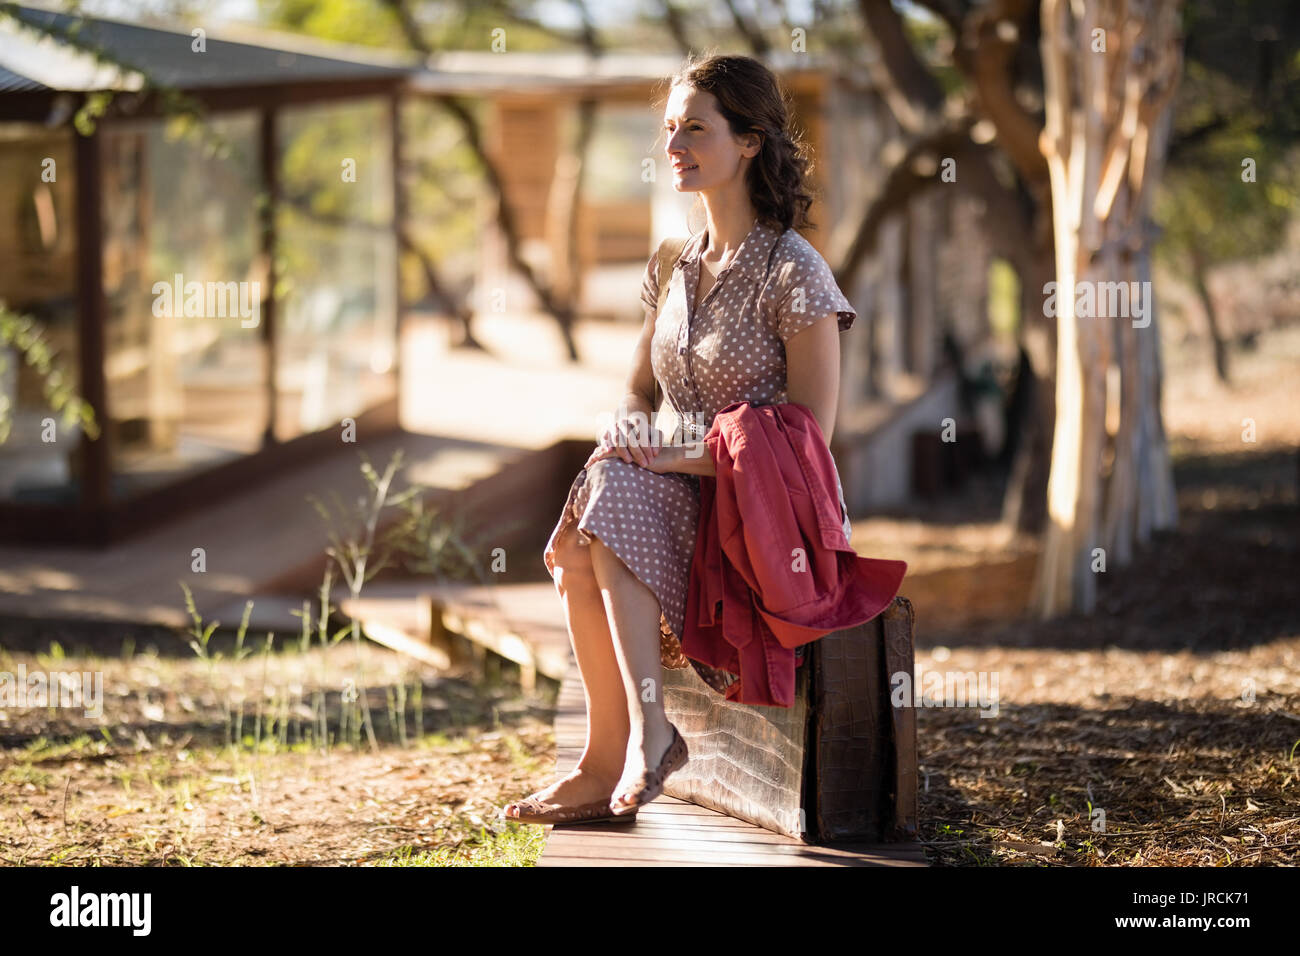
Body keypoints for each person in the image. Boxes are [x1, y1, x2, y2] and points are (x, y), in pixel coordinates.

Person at [502, 52, 858, 825]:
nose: (673, 146)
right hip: (666, 494)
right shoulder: (672, 264)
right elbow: (638, 385)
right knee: (591, 512)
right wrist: (629, 422)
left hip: (760, 528)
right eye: (668, 129)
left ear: (752, 141)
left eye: (696, 127)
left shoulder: (796, 273)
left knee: (609, 500)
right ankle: (616, 752)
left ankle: (633, 745)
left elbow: (807, 447)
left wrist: (669, 455)